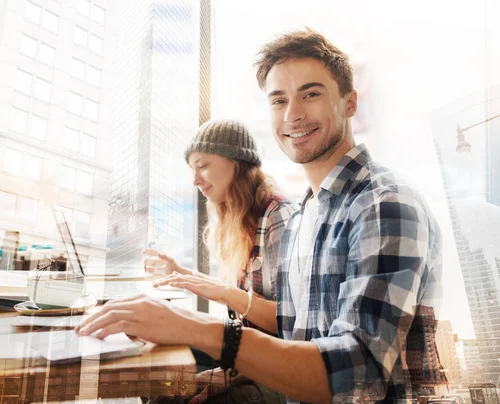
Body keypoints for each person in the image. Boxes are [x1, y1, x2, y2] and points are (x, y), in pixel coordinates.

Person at [77, 28, 443, 404]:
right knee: (167, 389)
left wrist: (195, 326)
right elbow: (292, 330)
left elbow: (359, 374)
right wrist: (228, 376)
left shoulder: (382, 203)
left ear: (350, 102)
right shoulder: (308, 213)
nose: (293, 114)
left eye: (311, 94)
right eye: (278, 100)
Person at [145, 119, 297, 401]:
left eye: (203, 166)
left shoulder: (279, 218)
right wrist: (180, 272)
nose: (195, 179)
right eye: (192, 169)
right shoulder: (244, 216)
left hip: (277, 365)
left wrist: (231, 374)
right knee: (159, 361)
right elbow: (242, 297)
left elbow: (289, 326)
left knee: (173, 395)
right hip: (249, 350)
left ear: (237, 163)